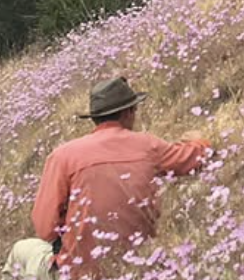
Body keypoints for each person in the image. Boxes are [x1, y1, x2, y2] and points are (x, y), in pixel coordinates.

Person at [6, 76, 208, 278]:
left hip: (78, 272)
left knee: (20, 251)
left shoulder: (63, 156)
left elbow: (45, 229)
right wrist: (201, 142)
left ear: (95, 117)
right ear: (128, 112)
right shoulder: (148, 146)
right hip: (139, 266)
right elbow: (191, 159)